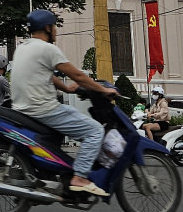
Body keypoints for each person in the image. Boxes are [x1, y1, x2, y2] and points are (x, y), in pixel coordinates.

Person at [10, 10, 117, 196]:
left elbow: (46, 74)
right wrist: (103, 90)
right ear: (47, 28)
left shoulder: (23, 47)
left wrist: (67, 89)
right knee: (95, 131)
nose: (56, 31)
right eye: (55, 27)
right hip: (43, 108)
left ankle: (52, 173)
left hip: (22, 108)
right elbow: (77, 75)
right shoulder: (47, 49)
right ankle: (80, 177)